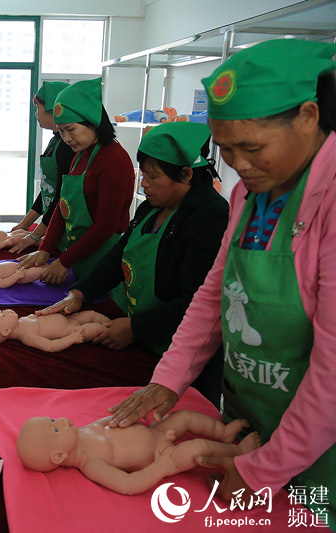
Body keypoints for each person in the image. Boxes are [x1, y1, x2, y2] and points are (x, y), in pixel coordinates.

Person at [108, 39, 336, 523]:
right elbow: (216, 292)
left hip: (323, 443)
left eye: (251, 148)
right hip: (253, 416)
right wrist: (168, 379)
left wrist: (263, 470)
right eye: (226, 150)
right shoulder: (250, 195)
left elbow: (333, 375)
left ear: (309, 117)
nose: (238, 166)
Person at [36, 122, 228, 404]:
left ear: (186, 175)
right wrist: (80, 293)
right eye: (144, 175)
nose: (144, 184)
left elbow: (198, 302)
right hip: (138, 332)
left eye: (153, 177)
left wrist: (136, 329)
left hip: (180, 354)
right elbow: (118, 256)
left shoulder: (210, 218)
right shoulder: (152, 207)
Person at [17, 78, 133, 285]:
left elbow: (105, 226)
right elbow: (63, 207)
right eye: (61, 131)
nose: (67, 138)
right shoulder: (80, 155)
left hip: (102, 258)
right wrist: (45, 249)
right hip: (77, 253)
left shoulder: (114, 159)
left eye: (71, 130)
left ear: (92, 121)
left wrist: (64, 261)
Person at [16, 412, 260, 495]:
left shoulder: (85, 430)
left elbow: (109, 422)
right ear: (58, 456)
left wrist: (128, 417)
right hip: (161, 454)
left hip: (155, 431)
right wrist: (161, 467)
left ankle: (223, 431)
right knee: (198, 449)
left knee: (184, 416)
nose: (60, 419)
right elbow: (128, 484)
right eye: (55, 427)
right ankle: (237, 451)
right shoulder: (91, 464)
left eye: (51, 419)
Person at [10, 81, 74, 253]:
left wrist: (36, 235)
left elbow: (61, 196)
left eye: (38, 107)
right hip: (50, 225)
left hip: (63, 230)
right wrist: (24, 225)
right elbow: (47, 188)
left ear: (53, 109)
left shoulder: (68, 147)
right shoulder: (54, 141)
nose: (36, 113)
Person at [0, 309, 110, 352]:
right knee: (98, 329)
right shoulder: (26, 336)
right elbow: (50, 346)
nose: (6, 311)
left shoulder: (21, 320)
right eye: (3, 314)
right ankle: (113, 331)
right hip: (71, 330)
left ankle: (113, 323)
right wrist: (71, 339)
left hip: (69, 318)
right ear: (6, 331)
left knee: (92, 314)